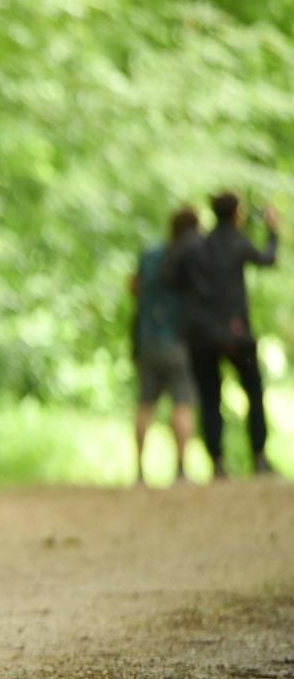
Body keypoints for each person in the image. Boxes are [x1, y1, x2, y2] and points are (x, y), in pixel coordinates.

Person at [167, 191, 281, 479]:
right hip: (236, 333)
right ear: (236, 213)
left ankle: (216, 462)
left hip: (202, 336)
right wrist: (272, 230)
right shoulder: (238, 243)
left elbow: (171, 279)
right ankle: (259, 458)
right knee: (254, 393)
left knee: (209, 397)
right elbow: (268, 259)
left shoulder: (197, 246)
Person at [131, 207, 200, 486]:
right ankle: (181, 469)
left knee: (145, 403)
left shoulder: (149, 255)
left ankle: (138, 471)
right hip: (177, 341)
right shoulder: (188, 259)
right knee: (182, 403)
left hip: (147, 339)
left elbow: (134, 288)